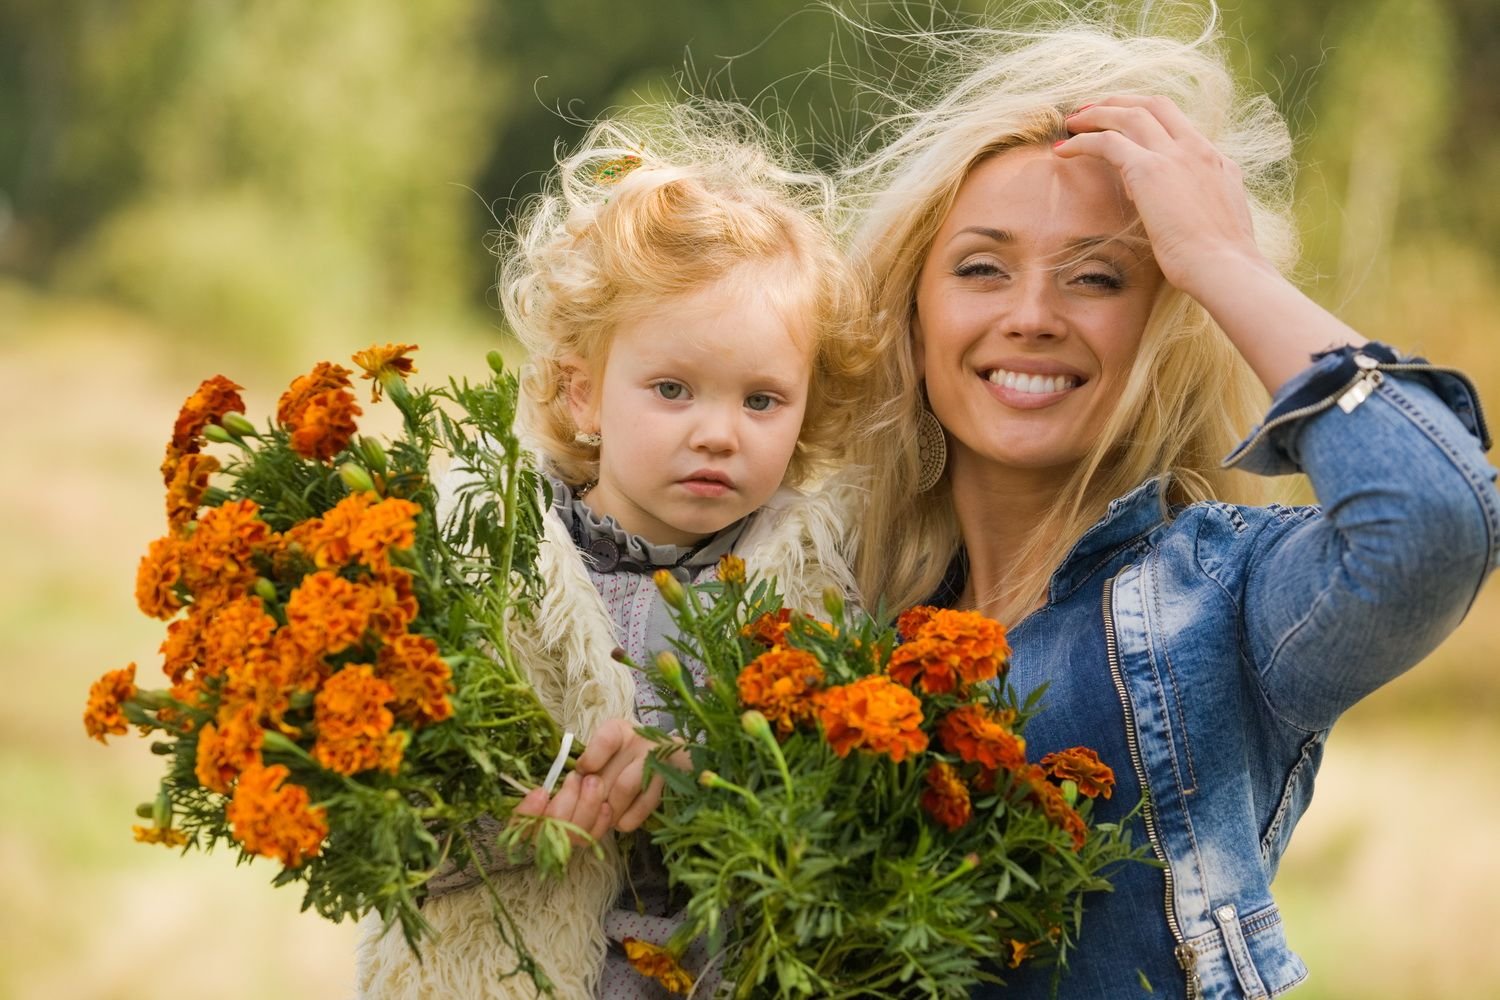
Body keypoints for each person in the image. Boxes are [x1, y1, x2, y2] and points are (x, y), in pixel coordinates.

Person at [841, 10, 1498, 998]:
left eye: (1098, 276)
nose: (1030, 315)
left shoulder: (1220, 605)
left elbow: (1435, 520)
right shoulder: (832, 615)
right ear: (914, 309)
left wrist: (1222, 262)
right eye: (982, 267)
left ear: (1166, 326)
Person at [354, 110, 873, 998]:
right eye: (673, 390)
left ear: (807, 410)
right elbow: (379, 820)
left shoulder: (815, 591)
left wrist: (710, 770)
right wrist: (507, 814)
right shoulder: (494, 559)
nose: (718, 433)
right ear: (585, 394)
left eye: (762, 400)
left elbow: (843, 811)